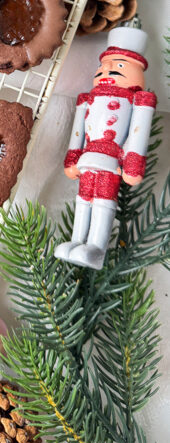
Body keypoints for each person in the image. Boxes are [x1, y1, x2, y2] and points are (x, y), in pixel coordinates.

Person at [54, 25, 156, 270]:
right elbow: (79, 130)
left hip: (111, 161)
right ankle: (77, 240)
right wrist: (72, 157)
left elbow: (137, 132)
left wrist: (132, 163)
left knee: (103, 201)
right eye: (104, 65)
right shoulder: (89, 99)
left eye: (118, 66)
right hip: (88, 158)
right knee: (83, 199)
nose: (107, 69)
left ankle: (96, 248)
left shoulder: (136, 102)